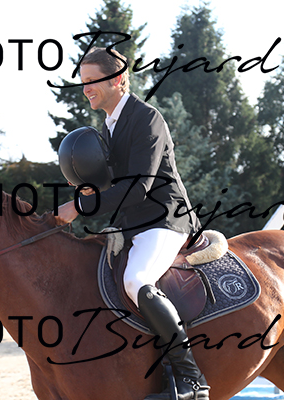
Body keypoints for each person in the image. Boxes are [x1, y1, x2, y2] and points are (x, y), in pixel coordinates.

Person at [56, 47, 209, 400]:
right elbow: (117, 183)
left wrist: (80, 206)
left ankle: (192, 380)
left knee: (135, 279)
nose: (86, 88)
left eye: (92, 81)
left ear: (118, 79)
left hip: (166, 220)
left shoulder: (146, 119)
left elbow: (140, 187)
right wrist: (91, 186)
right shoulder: (109, 125)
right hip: (134, 224)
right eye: (83, 82)